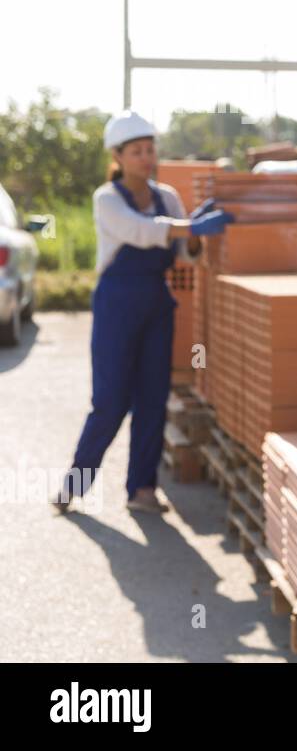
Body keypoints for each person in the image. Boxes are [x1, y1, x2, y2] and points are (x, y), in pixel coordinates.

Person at [53, 111, 234, 515]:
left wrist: (199, 239)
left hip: (156, 304)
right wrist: (190, 228)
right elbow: (141, 231)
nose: (146, 157)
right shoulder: (106, 199)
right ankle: (73, 485)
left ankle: (142, 490)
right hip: (117, 305)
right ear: (117, 156)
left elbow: (183, 254)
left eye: (150, 150)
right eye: (137, 151)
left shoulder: (167, 196)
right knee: (111, 400)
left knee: (153, 398)